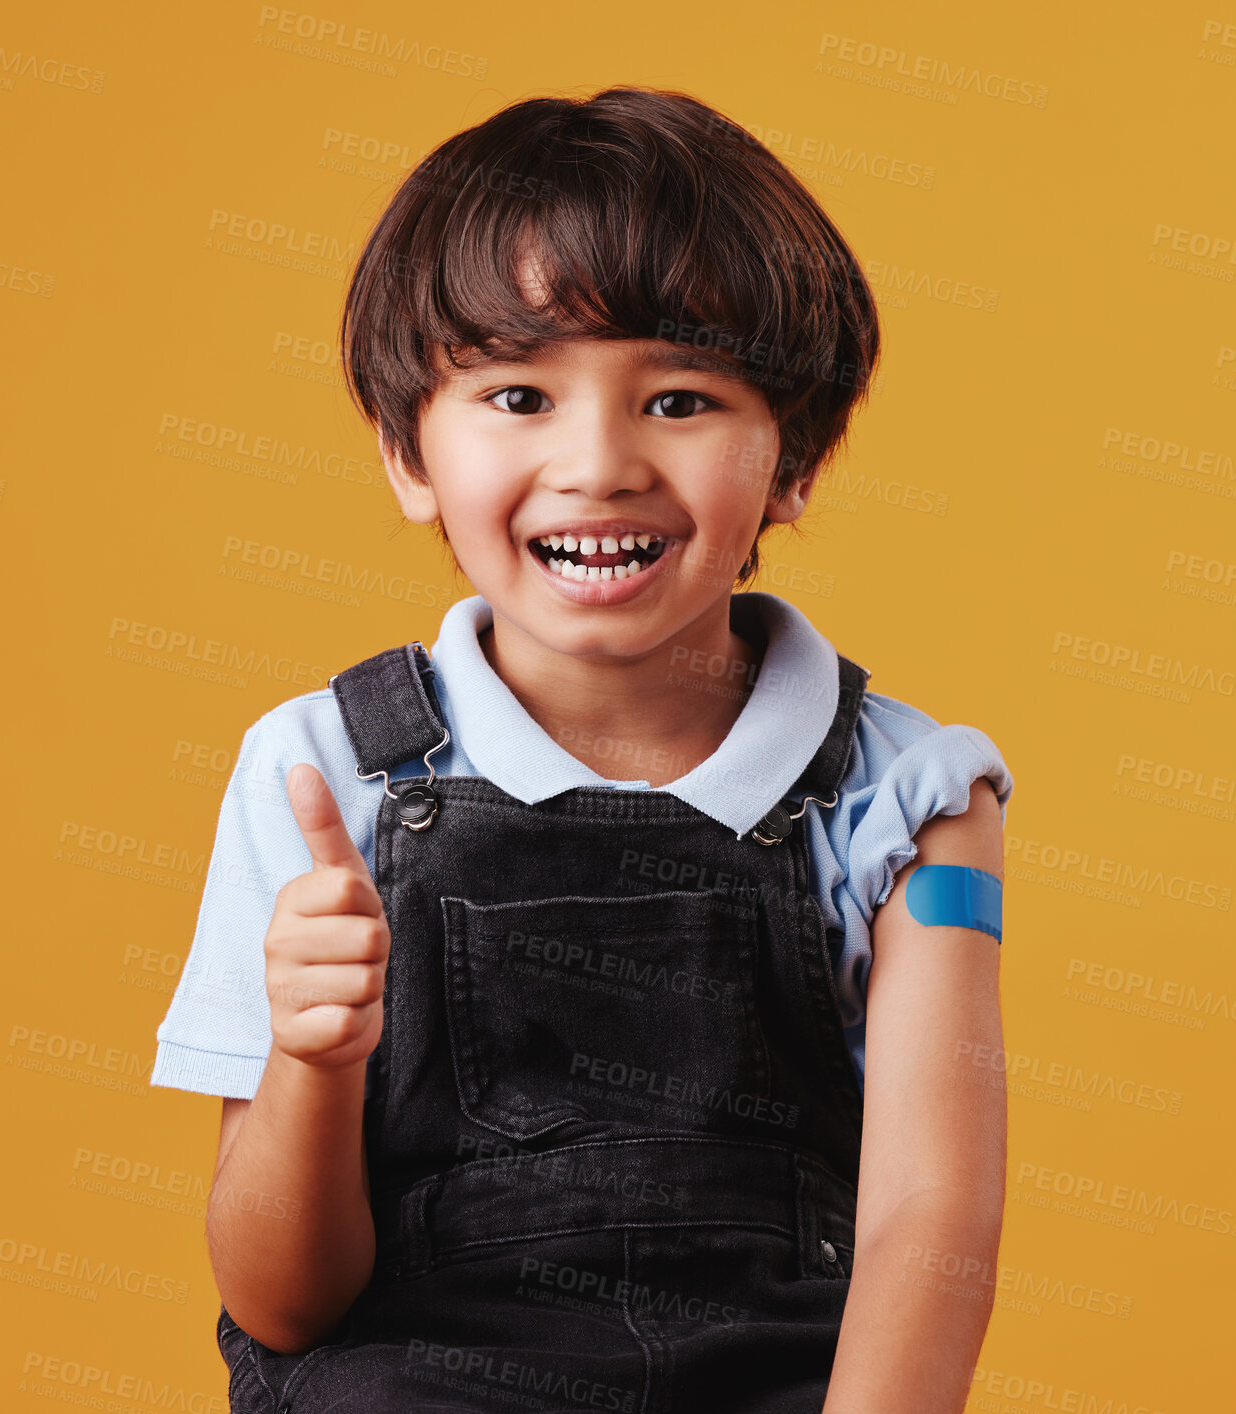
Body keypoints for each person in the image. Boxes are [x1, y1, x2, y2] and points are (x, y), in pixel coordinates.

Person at [152, 85, 1015, 1414]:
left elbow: (929, 1218)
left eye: (677, 399)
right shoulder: (324, 770)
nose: (597, 461)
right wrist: (311, 1062)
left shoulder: (910, 801)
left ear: (791, 457)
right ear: (406, 455)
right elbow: (282, 1300)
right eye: (516, 394)